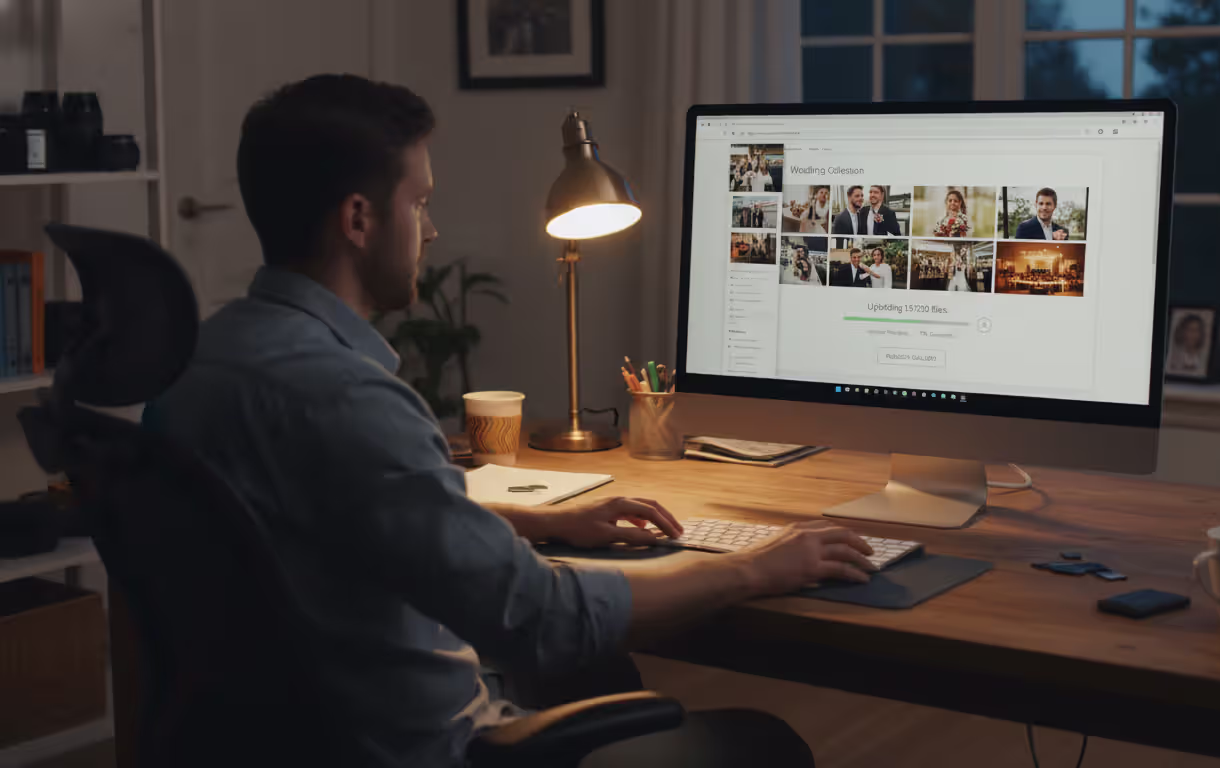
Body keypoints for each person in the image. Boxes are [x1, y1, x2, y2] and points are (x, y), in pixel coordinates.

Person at [144, 75, 870, 767]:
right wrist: (753, 568)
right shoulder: (350, 398)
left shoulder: (197, 364)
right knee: (764, 744)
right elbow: (545, 617)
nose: (432, 229)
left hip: (278, 740)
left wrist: (541, 523)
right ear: (359, 219)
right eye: (420, 202)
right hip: (426, 751)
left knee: (603, 673)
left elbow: (330, 524)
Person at [1167, 312, 1209, 377]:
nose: (1193, 335)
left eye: (1196, 330)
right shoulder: (1173, 357)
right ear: (1182, 331)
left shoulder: (1203, 358)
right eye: (1189, 330)